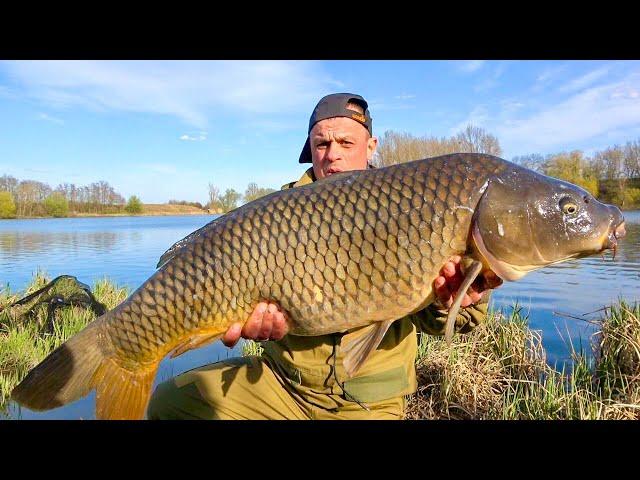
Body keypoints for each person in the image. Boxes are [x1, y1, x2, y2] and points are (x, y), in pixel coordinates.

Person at [147, 93, 502, 420]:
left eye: (346, 142)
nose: (333, 154)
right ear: (311, 150)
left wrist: (450, 301)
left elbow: (459, 324)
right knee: (167, 402)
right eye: (322, 143)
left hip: (370, 401)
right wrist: (250, 326)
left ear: (371, 146)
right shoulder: (276, 216)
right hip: (283, 387)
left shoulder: (416, 205)